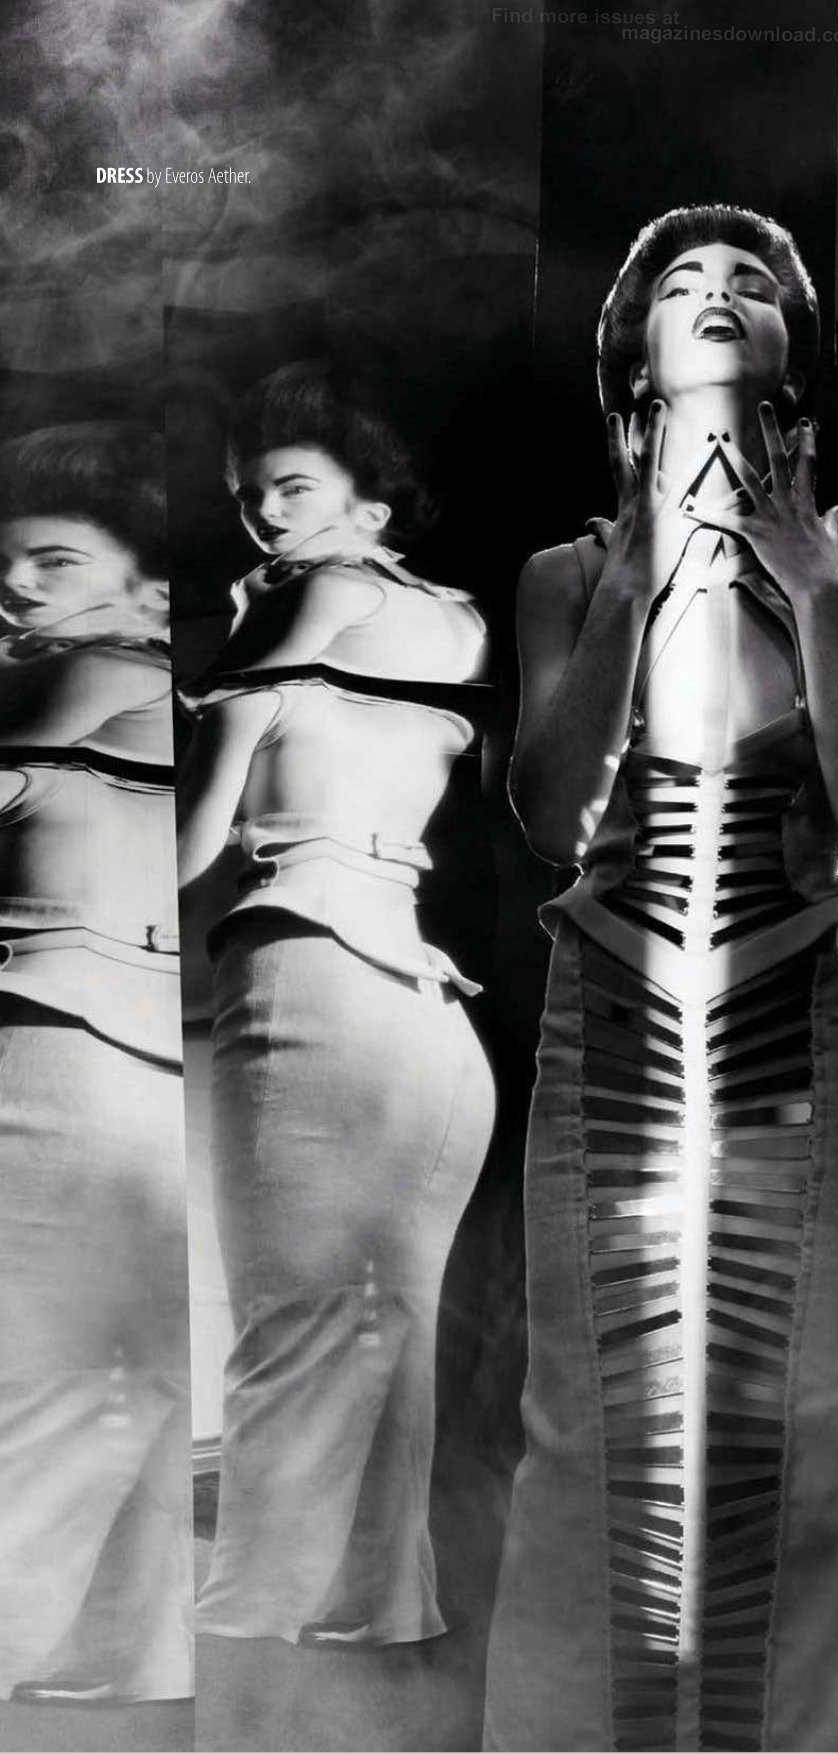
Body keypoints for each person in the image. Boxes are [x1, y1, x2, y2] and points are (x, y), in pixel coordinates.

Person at [484, 204, 838, 1753]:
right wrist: (632, 581)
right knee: (583, 1430)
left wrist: (808, 589)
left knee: (799, 1428)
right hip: (605, 1020)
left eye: (752, 281)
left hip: (788, 1016)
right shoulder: (564, 571)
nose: (720, 293)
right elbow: (550, 813)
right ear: (635, 351)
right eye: (683, 282)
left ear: (792, 344)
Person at [177, 362, 495, 1646]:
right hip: (422, 1006)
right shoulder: (453, 622)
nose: (264, 516)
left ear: (372, 502)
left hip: (308, 966)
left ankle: (242, 1650)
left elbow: (182, 850)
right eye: (251, 497)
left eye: (292, 487)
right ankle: (373, 1640)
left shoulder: (300, 607)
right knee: (382, 1341)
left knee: (290, 1335)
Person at [0, 421, 190, 1703]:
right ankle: (122, 1663)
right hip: (128, 1064)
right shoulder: (153, 684)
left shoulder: (89, 672)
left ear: (148, 585)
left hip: (59, 1057)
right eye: (5, 568)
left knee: (50, 1386)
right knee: (124, 1381)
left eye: (54, 561)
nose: (17, 588)